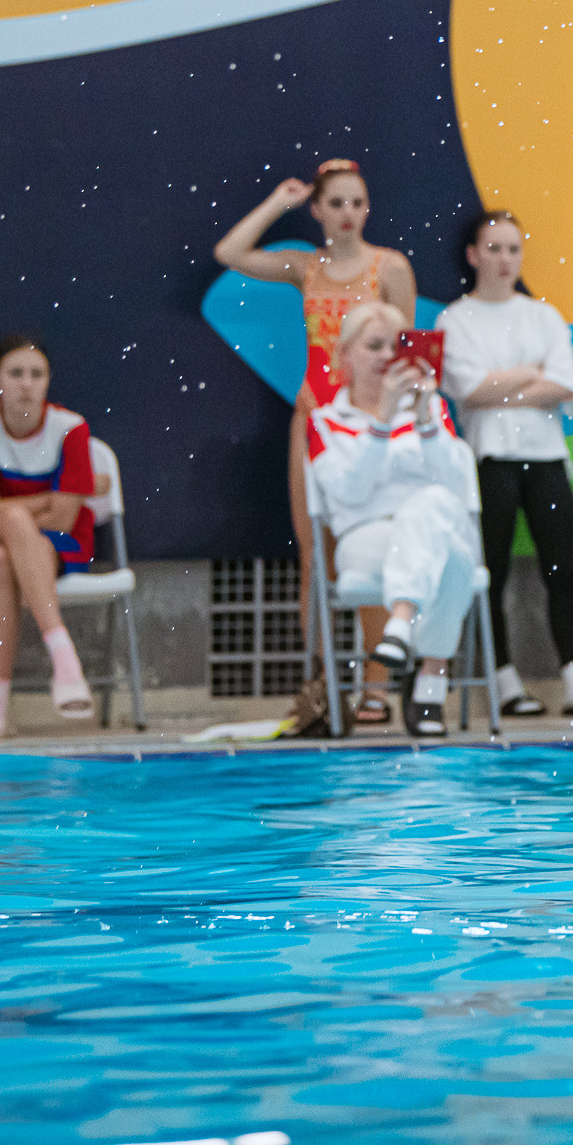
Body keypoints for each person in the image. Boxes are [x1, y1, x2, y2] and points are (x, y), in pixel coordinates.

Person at [213, 159, 417, 727]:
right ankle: (323, 683)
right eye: (336, 204)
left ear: (368, 209)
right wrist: (278, 202)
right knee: (315, 556)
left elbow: (410, 354)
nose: (348, 214)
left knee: (372, 546)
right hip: (314, 419)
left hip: (371, 426)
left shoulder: (389, 267)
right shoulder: (307, 267)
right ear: (318, 211)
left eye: (357, 203)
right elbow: (229, 254)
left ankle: (377, 685)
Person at [436, 211, 573, 718]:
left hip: (547, 457)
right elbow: (469, 391)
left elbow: (565, 386)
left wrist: (500, 386)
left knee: (563, 570)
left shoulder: (544, 316)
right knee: (491, 573)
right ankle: (506, 683)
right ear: (473, 254)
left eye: (513, 249)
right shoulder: (455, 319)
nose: (505, 259)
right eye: (494, 248)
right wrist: (530, 375)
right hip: (489, 461)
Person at [305, 302, 485, 738]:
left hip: (435, 527)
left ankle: (400, 624)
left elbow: (458, 484)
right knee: (454, 561)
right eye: (373, 345)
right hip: (366, 539)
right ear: (344, 356)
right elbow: (348, 491)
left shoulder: (433, 410)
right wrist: (383, 421)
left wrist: (423, 419)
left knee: (436, 505)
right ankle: (430, 682)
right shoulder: (324, 422)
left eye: (396, 344)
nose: (387, 355)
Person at [0, 337, 111, 738]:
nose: (26, 384)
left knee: (2, 559)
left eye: (37, 374)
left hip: (56, 542)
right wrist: (47, 497)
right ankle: (64, 658)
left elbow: (64, 520)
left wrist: (12, 508)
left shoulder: (71, 427)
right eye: (16, 374)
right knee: (8, 527)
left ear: (49, 380)